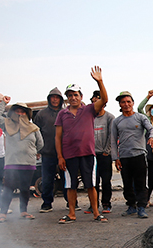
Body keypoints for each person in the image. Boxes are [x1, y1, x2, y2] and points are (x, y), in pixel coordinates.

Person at [55, 66, 109, 224]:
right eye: (70, 95)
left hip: (87, 153)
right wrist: (60, 156)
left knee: (91, 184)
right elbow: (58, 137)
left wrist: (100, 81)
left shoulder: (89, 110)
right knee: (70, 185)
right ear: (67, 98)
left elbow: (104, 99)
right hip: (69, 155)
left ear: (81, 96)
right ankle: (71, 214)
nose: (73, 98)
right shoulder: (62, 114)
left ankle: (96, 213)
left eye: (76, 95)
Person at [111, 91, 153, 218]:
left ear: (133, 103)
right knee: (127, 183)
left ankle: (141, 207)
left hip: (139, 155)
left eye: (128, 102)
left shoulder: (140, 118)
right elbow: (113, 141)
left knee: (140, 182)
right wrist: (116, 158)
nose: (126, 104)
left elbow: (151, 129)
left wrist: (152, 138)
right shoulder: (117, 121)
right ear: (120, 104)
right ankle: (131, 206)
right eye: (123, 102)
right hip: (124, 157)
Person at [0, 103, 44, 223]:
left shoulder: (33, 127)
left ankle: (23, 211)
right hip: (12, 163)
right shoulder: (7, 125)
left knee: (25, 188)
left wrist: (35, 151)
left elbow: (40, 143)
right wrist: (3, 103)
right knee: (8, 188)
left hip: (28, 162)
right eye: (17, 111)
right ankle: (3, 213)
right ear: (12, 113)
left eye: (22, 112)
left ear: (27, 114)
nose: (20, 114)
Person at [33, 87, 65, 213]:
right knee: (47, 179)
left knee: (66, 179)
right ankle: (47, 203)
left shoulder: (65, 113)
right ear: (49, 99)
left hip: (64, 152)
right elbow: (36, 132)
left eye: (57, 97)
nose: (55, 99)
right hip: (47, 152)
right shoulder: (41, 114)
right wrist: (37, 149)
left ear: (60, 99)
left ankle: (72, 202)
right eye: (53, 97)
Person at [88, 90, 115, 214]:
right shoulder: (89, 118)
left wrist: (107, 151)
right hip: (91, 155)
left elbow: (112, 136)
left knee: (105, 181)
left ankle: (106, 204)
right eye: (93, 101)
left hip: (105, 155)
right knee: (93, 182)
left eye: (98, 101)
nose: (96, 104)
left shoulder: (110, 118)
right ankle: (93, 205)